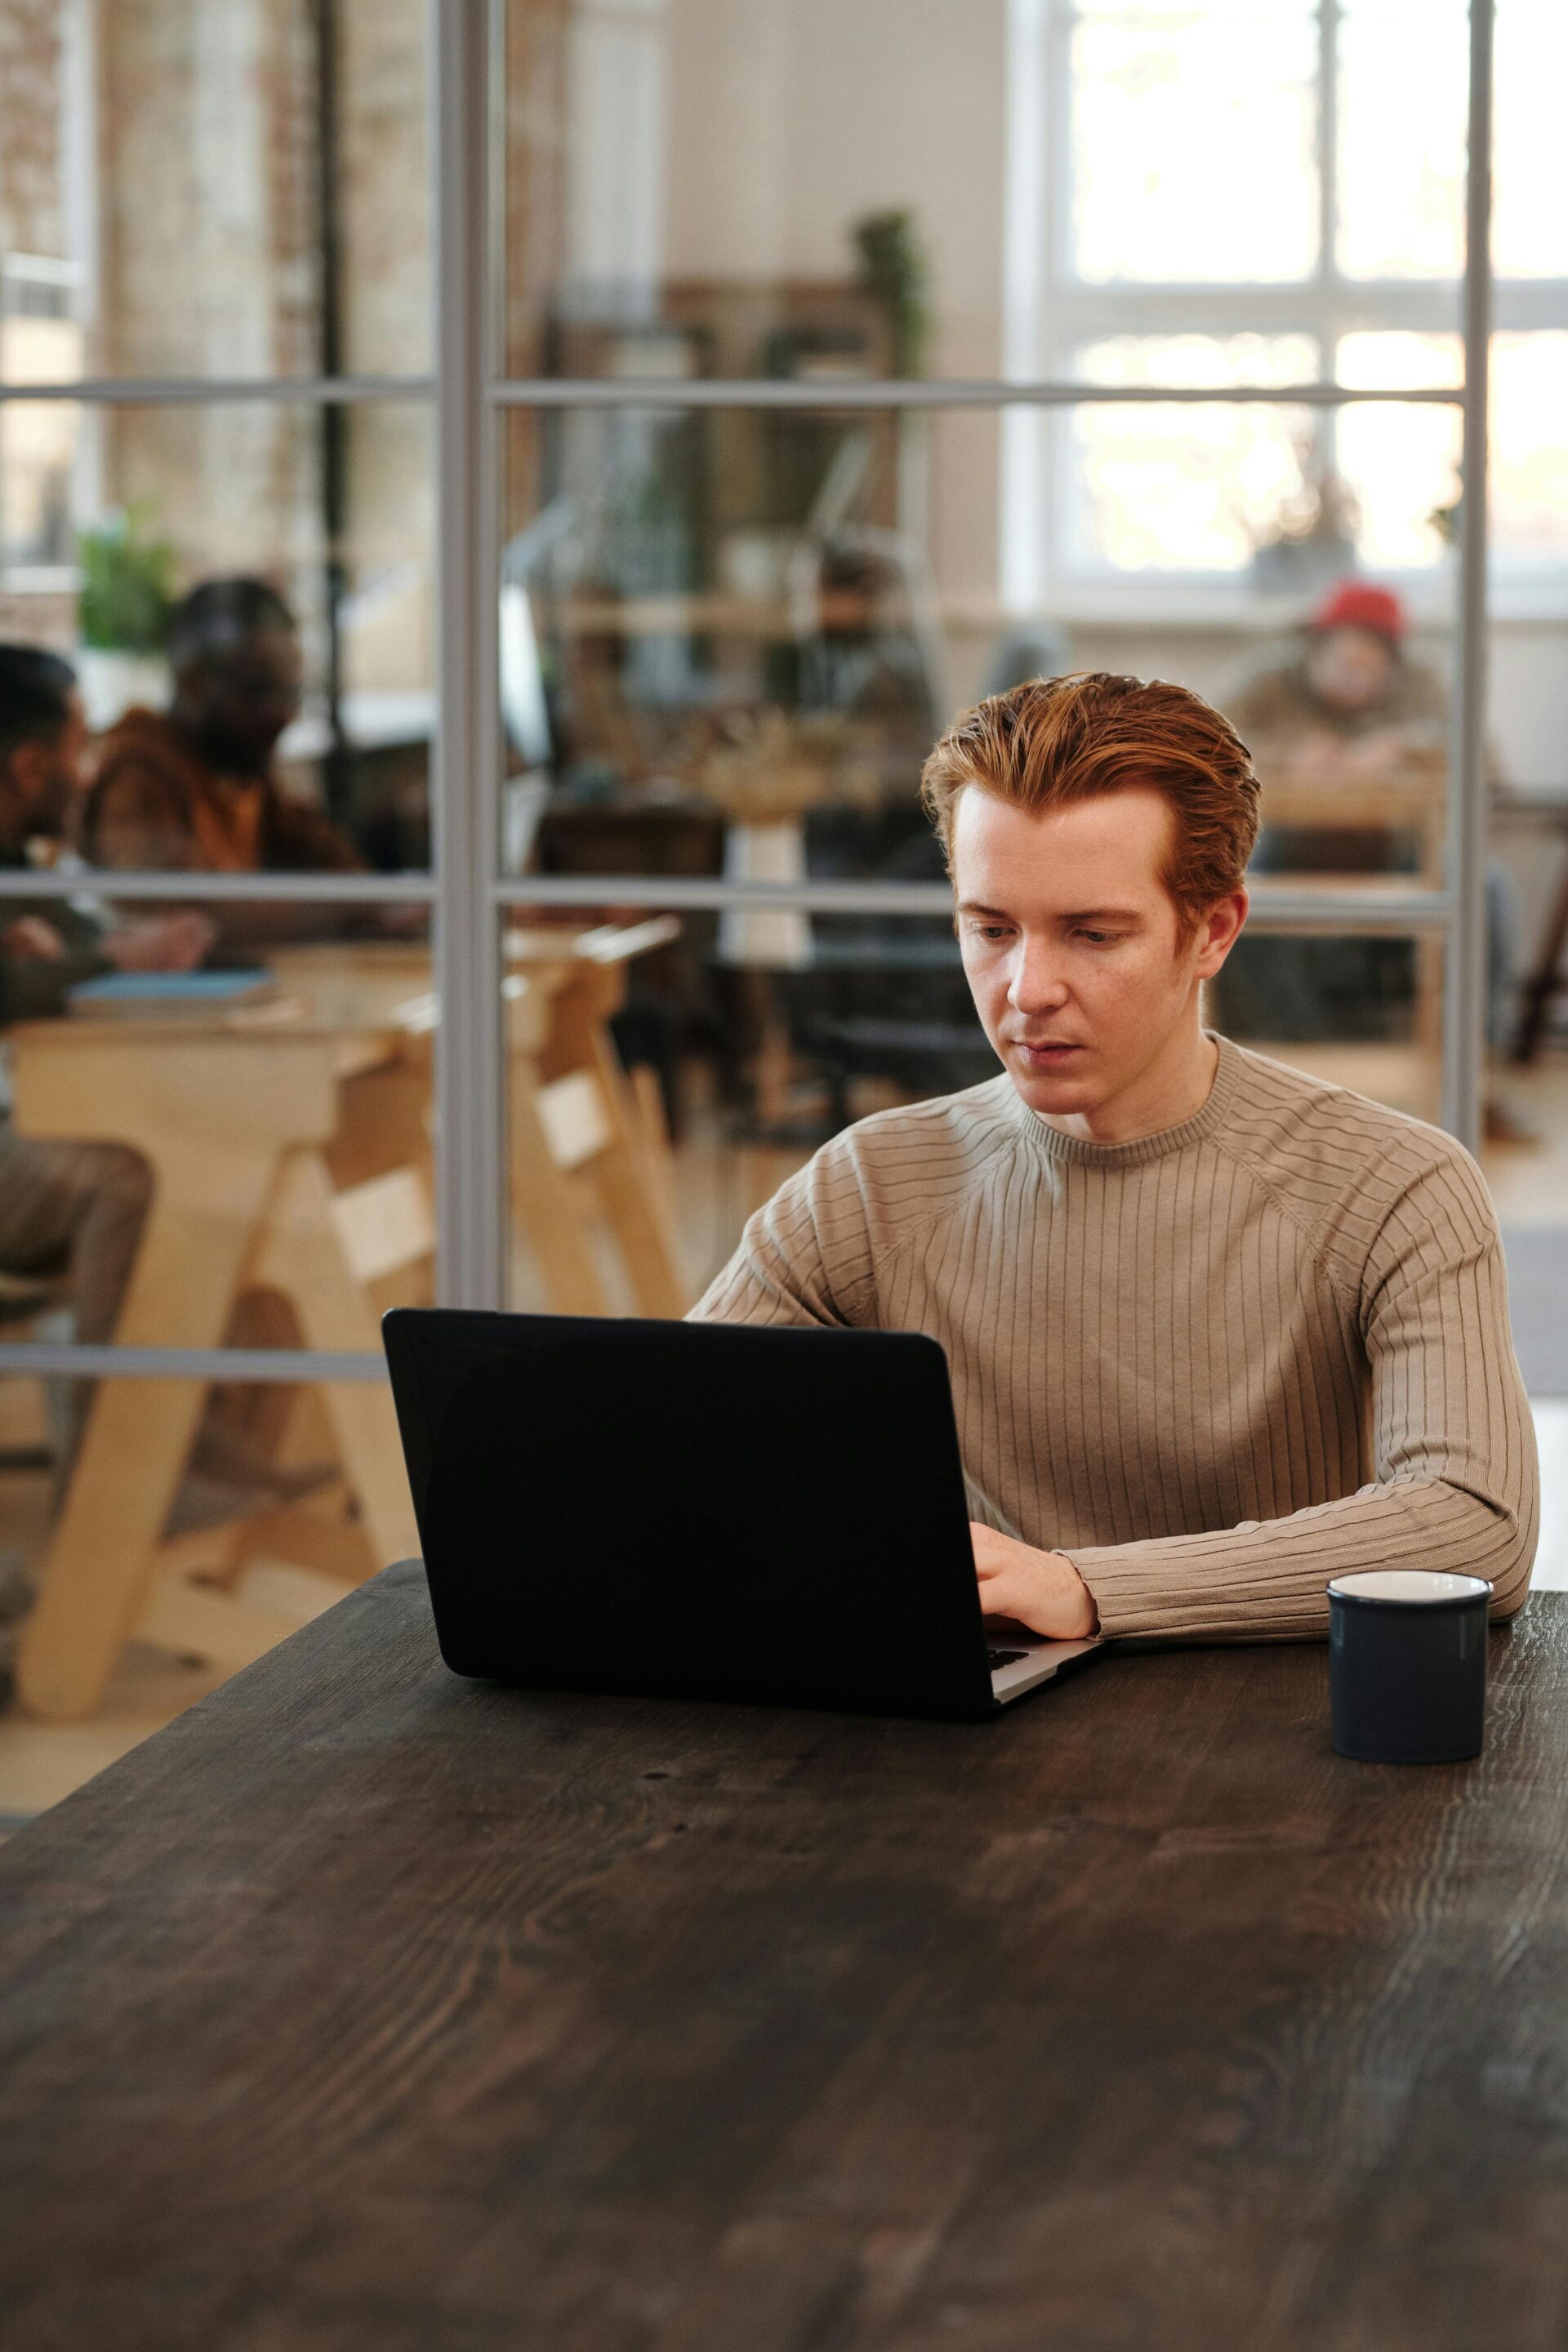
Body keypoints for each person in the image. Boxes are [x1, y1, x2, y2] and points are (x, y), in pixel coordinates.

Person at [693, 671, 1536, 1644]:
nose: (1029, 988)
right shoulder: (871, 1186)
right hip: (963, 1753)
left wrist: (1088, 1589)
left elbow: (1476, 1524)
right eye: (991, 929)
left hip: (1285, 1744)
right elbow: (673, 1452)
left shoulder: (1397, 1188)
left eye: (1092, 935)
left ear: (1213, 929)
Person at [0, 645, 211, 1449]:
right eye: (75, 751)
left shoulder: (22, 870)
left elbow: (86, 945)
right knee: (130, 1175)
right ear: (27, 766)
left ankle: (180, 1442)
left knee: (189, 1145)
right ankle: (112, 1474)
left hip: (28, 1126)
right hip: (16, 1142)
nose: (85, 774)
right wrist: (103, 962)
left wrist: (94, 957)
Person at [82, 577, 363, 942]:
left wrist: (380, 904)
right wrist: (352, 912)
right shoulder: (139, 775)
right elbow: (188, 918)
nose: (285, 715)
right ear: (194, 684)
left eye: (292, 693)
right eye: (261, 691)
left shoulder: (239, 769)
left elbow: (331, 862)